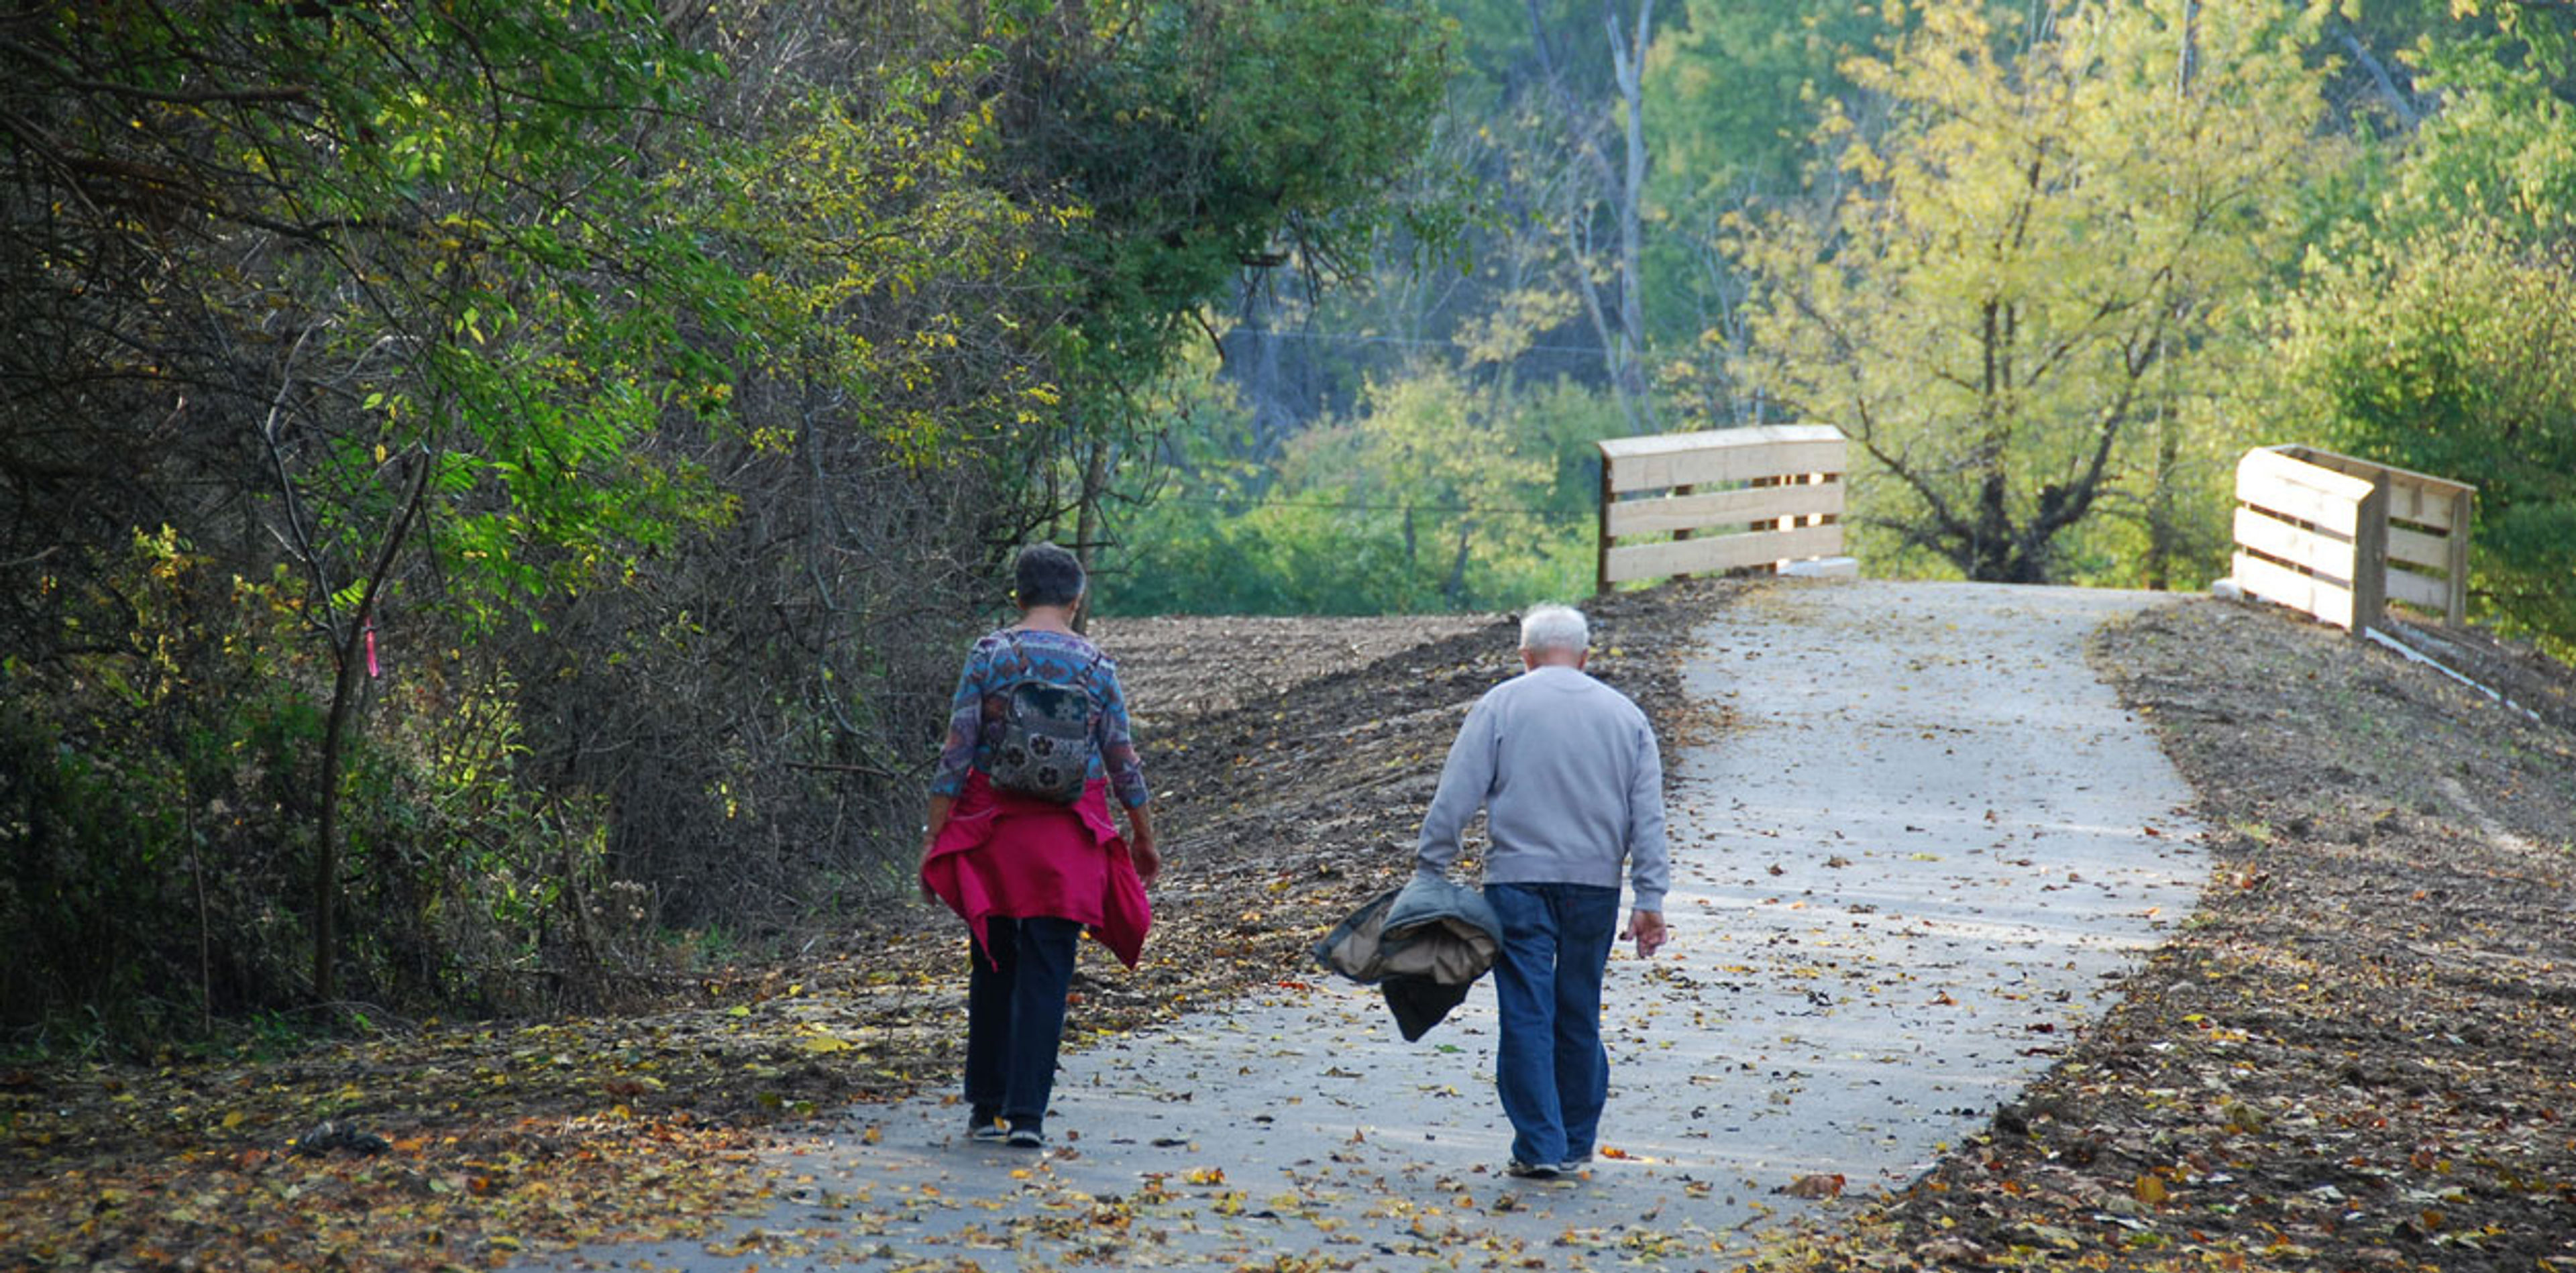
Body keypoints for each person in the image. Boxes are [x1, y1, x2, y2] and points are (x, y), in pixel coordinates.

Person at [919, 543, 1159, 1150]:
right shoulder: (1097, 666)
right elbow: (1122, 759)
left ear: (1018, 596)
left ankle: (984, 1105)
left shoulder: (989, 654)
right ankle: (1027, 1117)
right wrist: (1143, 835)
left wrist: (936, 836)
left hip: (993, 832)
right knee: (1048, 972)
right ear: (1076, 601)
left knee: (992, 963)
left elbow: (957, 751)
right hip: (1065, 840)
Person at [1415, 603, 1668, 1179]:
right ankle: (1577, 1140)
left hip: (1517, 882)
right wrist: (1649, 900)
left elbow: (1456, 794)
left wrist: (1431, 870)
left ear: (1525, 657)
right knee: (1578, 1009)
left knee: (1526, 1011)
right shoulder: (1625, 716)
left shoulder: (1501, 704)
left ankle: (1539, 1145)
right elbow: (1647, 817)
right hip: (1595, 887)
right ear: (1584, 658)